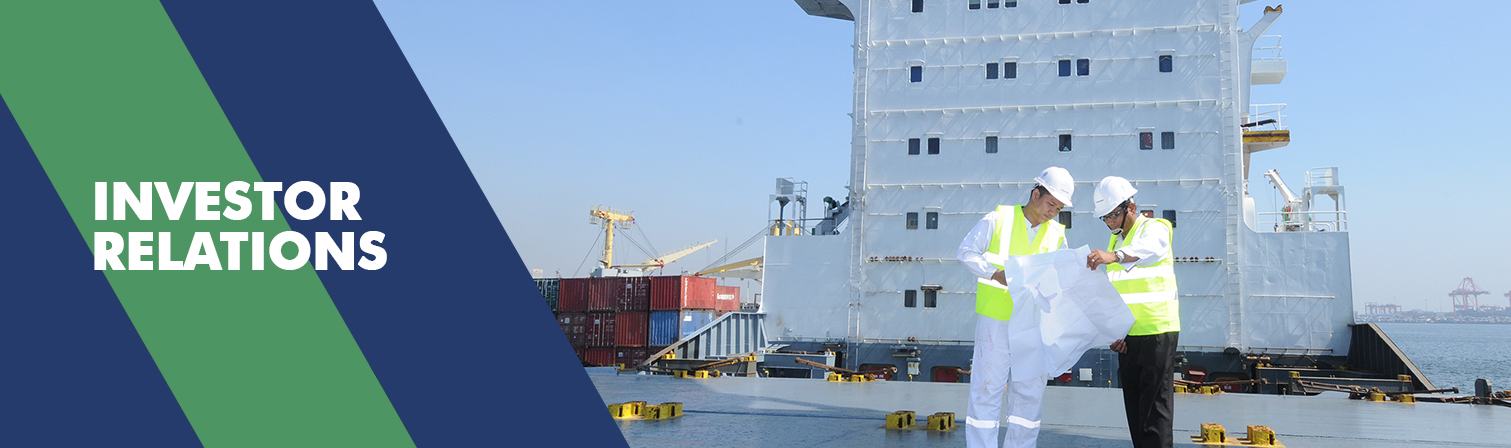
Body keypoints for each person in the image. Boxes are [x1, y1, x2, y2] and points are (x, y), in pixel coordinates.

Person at [956, 167, 1073, 448]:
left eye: (1058, 208)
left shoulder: (1057, 235)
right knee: (987, 390)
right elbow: (966, 252)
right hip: (996, 320)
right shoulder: (999, 219)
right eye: (1050, 204)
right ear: (1035, 194)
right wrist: (995, 273)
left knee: (1029, 397)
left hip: (1033, 325)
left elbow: (1062, 278)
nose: (1052, 212)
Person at [1085, 176, 1180, 448]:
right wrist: (1114, 333)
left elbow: (1147, 249)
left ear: (1131, 207)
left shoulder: (1155, 228)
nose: (1110, 222)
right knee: (1136, 411)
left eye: (1113, 214)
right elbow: (1116, 292)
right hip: (1128, 336)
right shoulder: (1116, 243)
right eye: (1105, 217)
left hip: (1156, 331)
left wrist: (1114, 256)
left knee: (1155, 411)